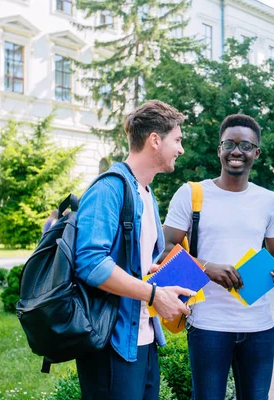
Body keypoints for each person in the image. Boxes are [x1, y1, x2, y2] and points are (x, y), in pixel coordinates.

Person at [162, 114, 274, 400]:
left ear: (256, 153)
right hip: (208, 324)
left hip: (258, 326)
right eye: (230, 144)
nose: (237, 151)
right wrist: (208, 268)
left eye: (246, 146)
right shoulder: (191, 194)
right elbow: (166, 249)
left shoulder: (270, 201)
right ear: (219, 149)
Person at [74, 100, 196, 399]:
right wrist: (154, 294)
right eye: (177, 140)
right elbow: (90, 264)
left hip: (144, 338)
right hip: (112, 342)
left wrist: (152, 273)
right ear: (155, 140)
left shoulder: (146, 194)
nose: (180, 149)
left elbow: (130, 264)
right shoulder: (109, 189)